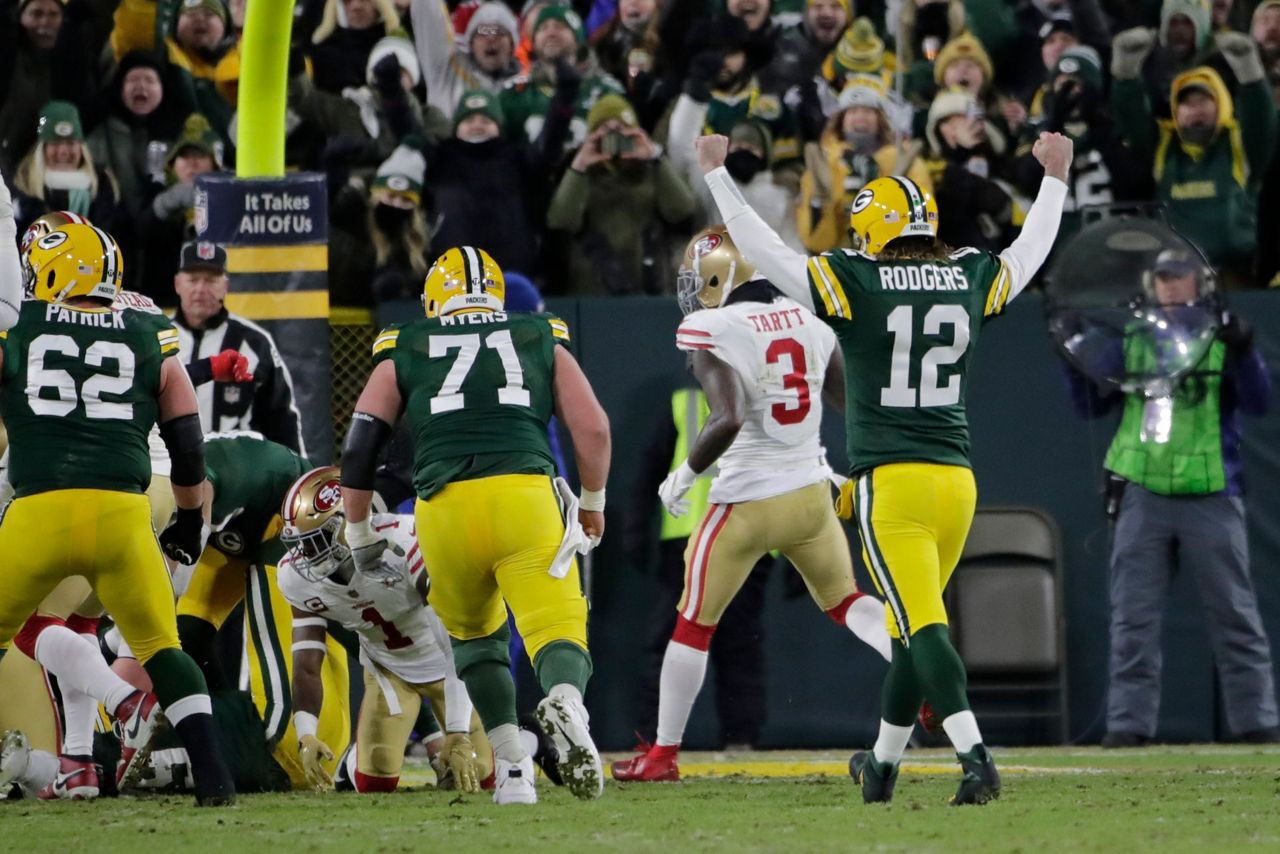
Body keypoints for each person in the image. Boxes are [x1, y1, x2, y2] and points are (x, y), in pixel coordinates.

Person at [693, 128, 1073, 804]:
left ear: (871, 230)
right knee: (906, 631)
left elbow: (769, 252)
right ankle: (882, 766)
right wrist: (1055, 180)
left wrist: (719, 177)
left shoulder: (856, 278)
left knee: (923, 626)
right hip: (955, 482)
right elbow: (1030, 253)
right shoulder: (966, 275)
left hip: (890, 484)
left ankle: (975, 757)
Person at [611, 226, 892, 783]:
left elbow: (729, 415)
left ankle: (662, 755)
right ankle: (921, 674)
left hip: (745, 503)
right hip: (810, 497)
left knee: (693, 625)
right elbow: (846, 401)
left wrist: (684, 475)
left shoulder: (711, 325)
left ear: (720, 275)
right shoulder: (809, 318)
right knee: (846, 601)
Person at [340, 245, 611, 804]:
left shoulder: (406, 341)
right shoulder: (539, 332)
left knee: (475, 641)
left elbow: (362, 441)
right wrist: (592, 501)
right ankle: (565, 700)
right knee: (556, 628)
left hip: (443, 508)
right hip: (525, 497)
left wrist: (359, 528)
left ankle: (512, 767)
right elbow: (594, 428)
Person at [0, 222, 235, 806]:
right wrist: (187, 518)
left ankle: (111, 714)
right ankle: (215, 781)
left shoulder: (16, 325)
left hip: (39, 513)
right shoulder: (148, 326)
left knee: (29, 631)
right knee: (163, 648)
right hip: (125, 515)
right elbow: (187, 439)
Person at [1060, 251, 1280, 747]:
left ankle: (1257, 721)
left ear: (1200, 283)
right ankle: (1129, 726)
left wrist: (1244, 352)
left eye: (1181, 277)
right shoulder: (1133, 339)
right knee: (1133, 617)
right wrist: (1073, 360)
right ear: (1152, 284)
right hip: (1143, 487)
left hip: (1212, 488)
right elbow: (1091, 405)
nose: (1173, 287)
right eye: (1165, 278)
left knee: (1236, 615)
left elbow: (1260, 400)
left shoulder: (1224, 336)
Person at [278, 466, 494, 793]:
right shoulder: (295, 578)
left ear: (344, 526)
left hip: (447, 663)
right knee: (373, 782)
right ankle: (353, 761)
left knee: (482, 777)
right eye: (300, 544)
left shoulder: (405, 542)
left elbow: (456, 640)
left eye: (314, 541)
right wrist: (306, 732)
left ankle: (527, 739)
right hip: (388, 671)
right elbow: (307, 663)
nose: (304, 556)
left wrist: (457, 731)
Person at [164, 431, 352, 791]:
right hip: (233, 528)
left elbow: (383, 644)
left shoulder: (200, 474)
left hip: (287, 519)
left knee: (291, 747)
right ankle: (192, 729)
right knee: (182, 636)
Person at [1112, 37, 1276, 285]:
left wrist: (1248, 70)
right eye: (1187, 102)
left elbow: (1262, 121)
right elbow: (1131, 120)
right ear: (1176, 111)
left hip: (1235, 275)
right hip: (1175, 276)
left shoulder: (1238, 143)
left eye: (1204, 101)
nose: (1195, 109)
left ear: (1221, 104)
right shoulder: (1164, 145)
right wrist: (1126, 72)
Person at [546, 93, 696, 295]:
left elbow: (682, 210)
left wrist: (655, 157)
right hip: (592, 284)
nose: (614, 137)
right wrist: (579, 165)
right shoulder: (579, 172)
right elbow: (561, 220)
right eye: (604, 130)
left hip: (648, 282)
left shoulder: (651, 169)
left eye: (621, 128)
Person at [171, 241, 306, 453]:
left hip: (238, 470)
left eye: (210, 280)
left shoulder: (254, 342)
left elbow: (281, 418)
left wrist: (298, 476)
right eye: (193, 279)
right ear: (178, 284)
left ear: (226, 286)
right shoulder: (159, 337)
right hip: (169, 466)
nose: (200, 289)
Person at [12, 101, 124, 236]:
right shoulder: (22, 186)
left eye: (71, 143)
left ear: (81, 147)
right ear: (42, 148)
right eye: (55, 143)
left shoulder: (104, 185)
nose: (63, 151)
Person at [411, 0, 523, 119]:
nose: (491, 38)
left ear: (512, 45)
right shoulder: (446, 70)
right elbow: (427, 10)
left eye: (499, 32)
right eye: (482, 32)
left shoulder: (526, 90)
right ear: (471, 45)